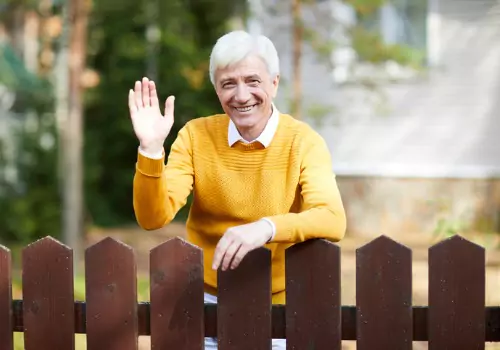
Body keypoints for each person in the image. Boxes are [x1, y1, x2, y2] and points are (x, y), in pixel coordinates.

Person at [129, 30, 346, 349]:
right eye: (228, 83)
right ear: (216, 89)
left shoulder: (303, 142)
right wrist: (150, 150)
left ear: (274, 82)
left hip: (280, 310)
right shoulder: (195, 136)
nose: (241, 95)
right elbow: (152, 217)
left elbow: (331, 218)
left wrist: (267, 228)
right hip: (205, 305)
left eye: (253, 81)